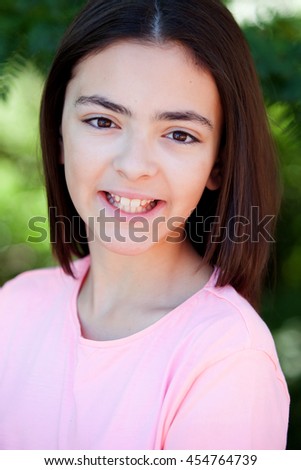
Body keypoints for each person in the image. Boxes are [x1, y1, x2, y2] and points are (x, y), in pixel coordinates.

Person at [0, 0, 289, 450]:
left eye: (179, 134)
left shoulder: (227, 356)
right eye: (102, 121)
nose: (135, 166)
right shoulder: (13, 309)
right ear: (59, 137)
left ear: (219, 163)